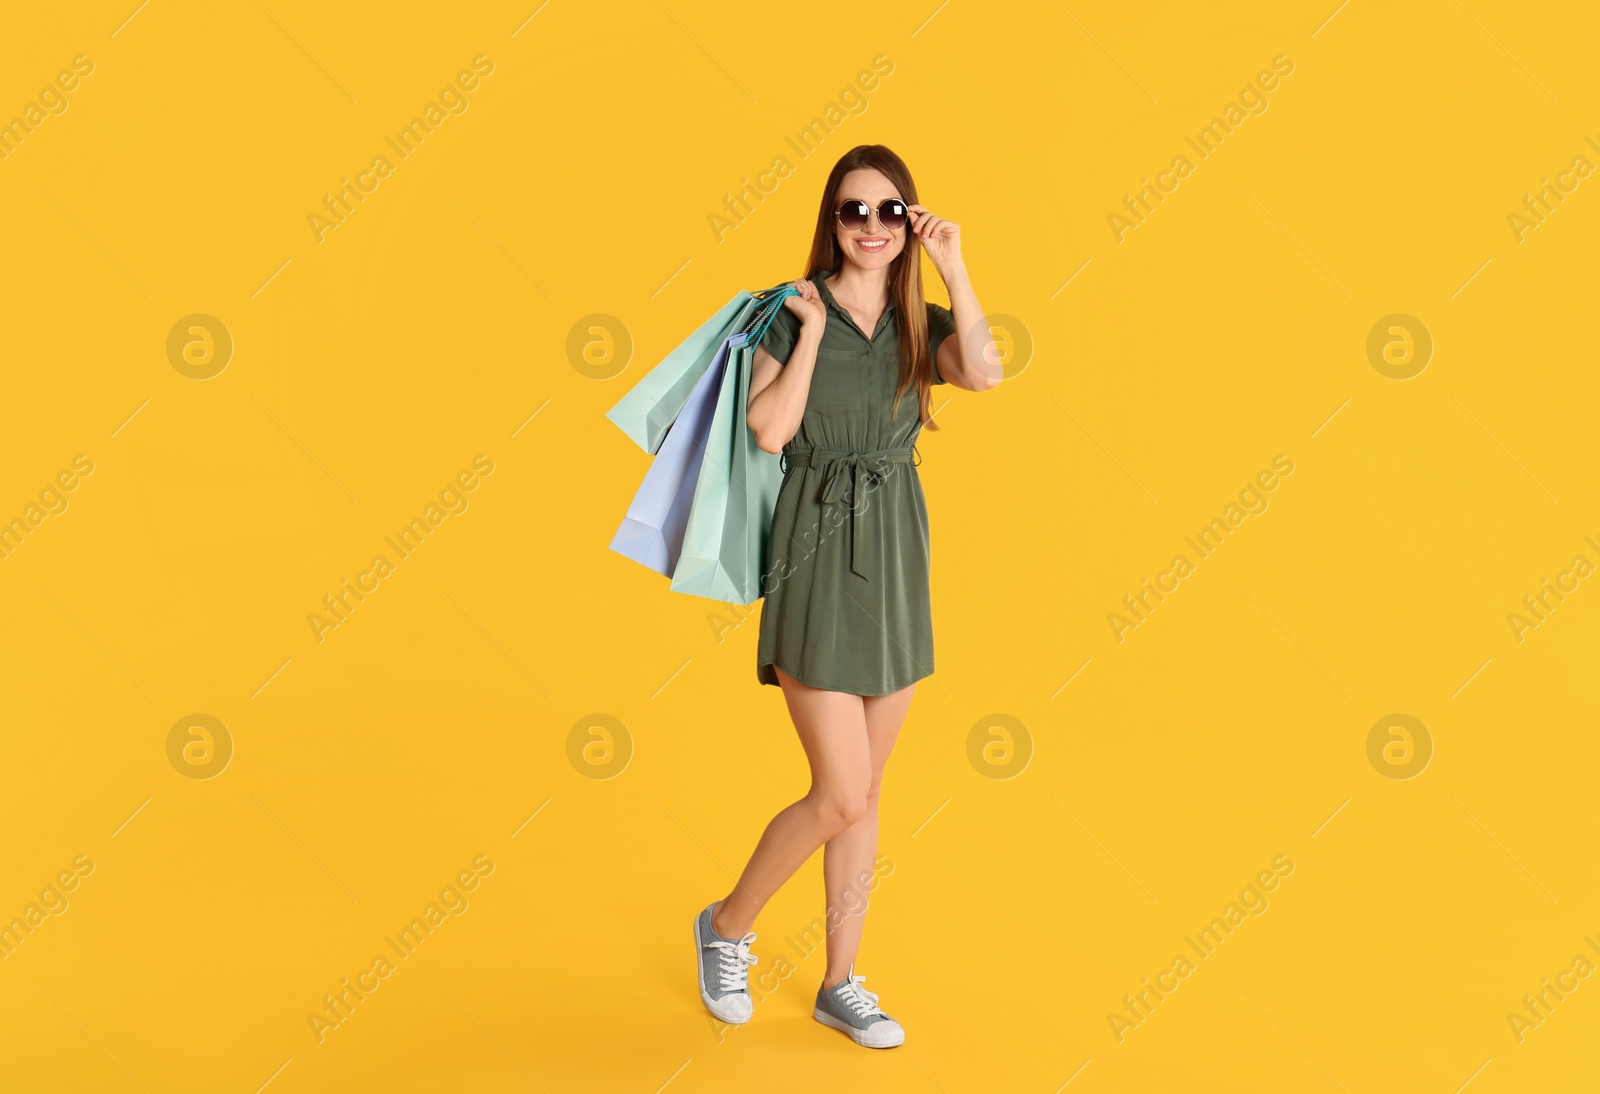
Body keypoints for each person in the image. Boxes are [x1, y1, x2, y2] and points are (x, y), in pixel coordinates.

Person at [692, 144, 1002, 1048]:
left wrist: (956, 265)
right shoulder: (787, 313)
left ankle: (840, 981)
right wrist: (817, 334)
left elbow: (984, 374)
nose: (870, 226)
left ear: (910, 222)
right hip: (814, 550)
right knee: (839, 791)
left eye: (889, 212)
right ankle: (726, 926)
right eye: (852, 211)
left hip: (897, 549)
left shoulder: (922, 317)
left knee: (867, 795)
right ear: (830, 222)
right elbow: (769, 430)